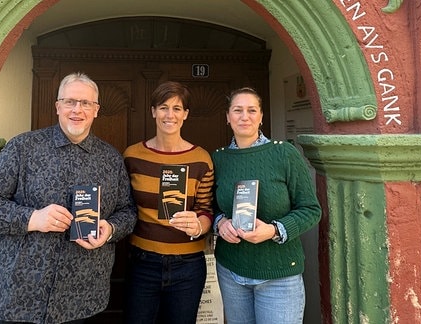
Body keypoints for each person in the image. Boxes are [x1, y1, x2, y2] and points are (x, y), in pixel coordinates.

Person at [0, 72, 137, 324]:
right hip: (19, 297)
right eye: (70, 101)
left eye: (85, 103)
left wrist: (110, 229)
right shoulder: (23, 148)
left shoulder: (110, 159)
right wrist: (32, 218)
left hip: (80, 301)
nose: (77, 110)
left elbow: (127, 212)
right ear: (58, 106)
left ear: (96, 110)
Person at [211, 87, 321, 324]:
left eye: (252, 110)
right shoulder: (218, 159)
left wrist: (273, 230)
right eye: (237, 110)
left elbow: (311, 209)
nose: (244, 116)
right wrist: (220, 224)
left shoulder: (284, 154)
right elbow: (210, 206)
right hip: (231, 271)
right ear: (227, 116)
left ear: (261, 116)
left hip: (279, 275)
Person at [122, 81, 214, 324]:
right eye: (163, 107)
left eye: (177, 108)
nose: (169, 115)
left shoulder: (201, 158)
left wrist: (199, 226)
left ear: (185, 114)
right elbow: (124, 206)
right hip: (143, 262)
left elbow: (206, 208)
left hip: (189, 266)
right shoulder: (132, 155)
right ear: (153, 111)